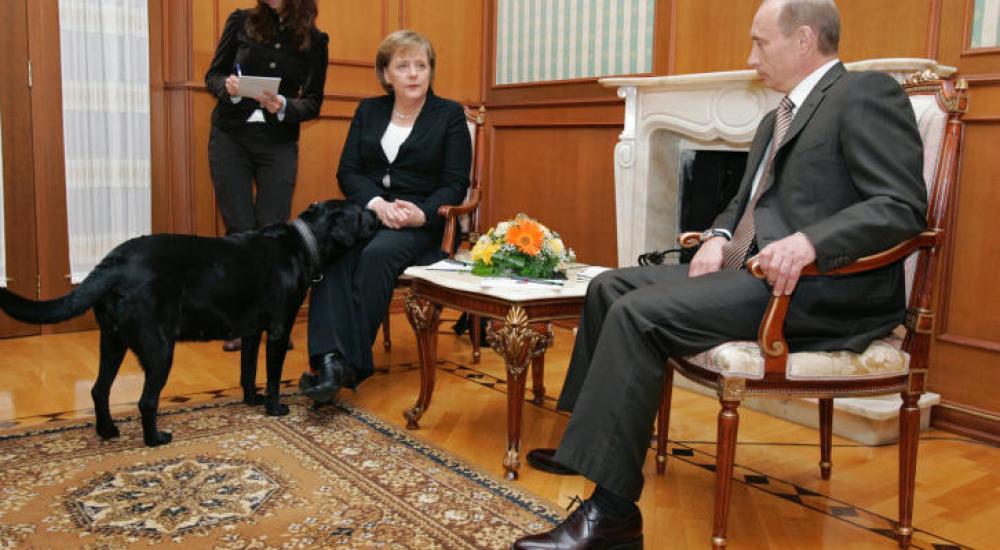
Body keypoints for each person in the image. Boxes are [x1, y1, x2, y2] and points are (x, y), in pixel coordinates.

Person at [512, 0, 927, 548]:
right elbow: (747, 201)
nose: (751, 57)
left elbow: (901, 207)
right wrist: (718, 235)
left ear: (804, 40)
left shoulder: (864, 95)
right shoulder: (776, 117)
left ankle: (613, 517)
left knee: (638, 315)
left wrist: (811, 242)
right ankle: (587, 447)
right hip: (754, 275)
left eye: (760, 42)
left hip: (817, 288)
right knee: (610, 285)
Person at [301, 30, 472, 403]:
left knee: (378, 254)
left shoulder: (449, 115)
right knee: (332, 250)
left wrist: (421, 214)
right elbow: (348, 171)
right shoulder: (369, 111)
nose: (413, 74)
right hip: (371, 212)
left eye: (421, 65)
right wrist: (376, 203)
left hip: (421, 221)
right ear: (386, 74)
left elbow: (455, 182)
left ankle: (347, 364)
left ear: (430, 71)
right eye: (403, 66)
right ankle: (329, 359)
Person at [204, 0, 329, 352]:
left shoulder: (315, 40)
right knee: (241, 229)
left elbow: (313, 101)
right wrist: (227, 87)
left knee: (273, 233)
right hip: (230, 138)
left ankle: (274, 320)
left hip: (278, 144)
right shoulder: (240, 21)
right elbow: (213, 76)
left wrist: (286, 105)